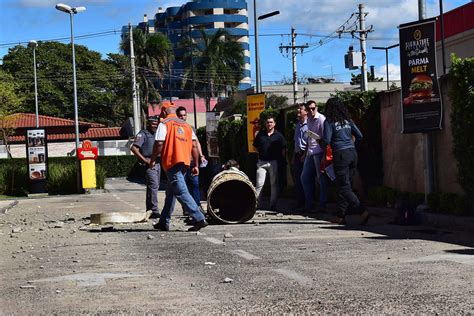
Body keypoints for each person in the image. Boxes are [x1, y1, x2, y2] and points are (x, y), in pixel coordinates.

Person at [149, 102, 208, 231]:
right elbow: (194, 146)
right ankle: (164, 221)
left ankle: (199, 218)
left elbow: (159, 143)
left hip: (172, 163)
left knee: (181, 192)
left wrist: (152, 160)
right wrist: (196, 165)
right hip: (185, 163)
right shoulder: (187, 126)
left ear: (164, 112)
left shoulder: (164, 124)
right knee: (171, 193)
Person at [320, 97, 369, 225]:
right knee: (346, 186)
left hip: (340, 155)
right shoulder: (348, 120)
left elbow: (327, 140)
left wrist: (321, 141)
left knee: (343, 187)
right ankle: (340, 216)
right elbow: (360, 136)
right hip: (353, 153)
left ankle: (362, 211)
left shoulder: (329, 121)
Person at [253, 115, 287, 212]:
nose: (269, 124)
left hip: (273, 162)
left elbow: (284, 148)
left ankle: (273, 205)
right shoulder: (260, 134)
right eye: (268, 122)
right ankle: (256, 205)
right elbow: (255, 146)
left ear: (274, 124)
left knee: (274, 184)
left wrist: (281, 159)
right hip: (262, 162)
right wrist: (259, 155)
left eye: (271, 122)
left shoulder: (279, 135)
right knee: (259, 184)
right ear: (265, 123)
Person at [175, 106, 207, 208]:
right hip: (181, 162)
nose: (182, 117)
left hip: (192, 162)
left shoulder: (190, 128)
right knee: (183, 186)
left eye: (184, 115)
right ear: (177, 116)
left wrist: (201, 156)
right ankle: (187, 207)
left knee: (195, 184)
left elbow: (196, 144)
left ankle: (197, 206)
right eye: (180, 115)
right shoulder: (174, 128)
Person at [130, 116, 161, 219]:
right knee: (154, 185)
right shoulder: (143, 134)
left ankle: (150, 209)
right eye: (153, 123)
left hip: (158, 163)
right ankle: (154, 210)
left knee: (153, 187)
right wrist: (144, 160)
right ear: (148, 123)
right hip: (148, 163)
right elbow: (134, 148)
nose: (155, 125)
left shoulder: (157, 134)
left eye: (156, 123)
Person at [300, 100, 328, 212]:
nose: (311, 111)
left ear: (316, 107)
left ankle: (322, 204)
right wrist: (305, 152)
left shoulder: (321, 119)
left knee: (321, 179)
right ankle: (309, 203)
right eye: (309, 109)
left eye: (313, 108)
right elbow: (309, 137)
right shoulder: (309, 120)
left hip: (319, 152)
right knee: (304, 177)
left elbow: (325, 138)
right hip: (310, 152)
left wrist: (324, 154)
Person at [292, 104, 308, 210]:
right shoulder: (298, 124)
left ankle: (308, 202)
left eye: (301, 109)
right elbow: (295, 141)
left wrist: (305, 154)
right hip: (297, 154)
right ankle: (300, 202)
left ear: (306, 112)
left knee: (305, 180)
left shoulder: (309, 125)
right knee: (297, 180)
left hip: (306, 154)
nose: (298, 110)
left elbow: (311, 142)